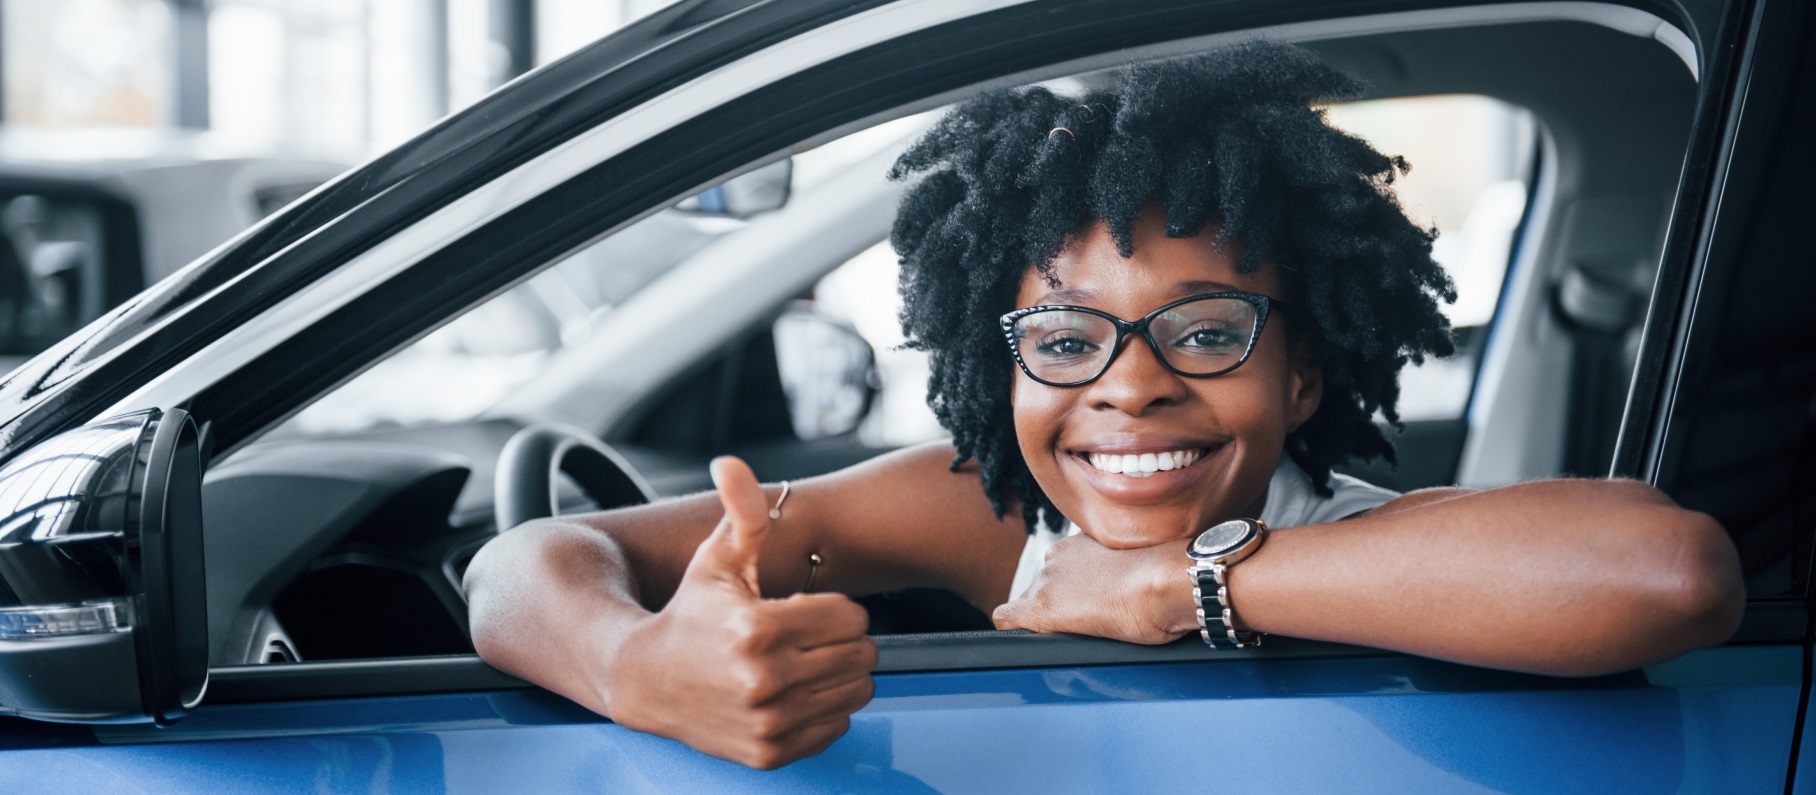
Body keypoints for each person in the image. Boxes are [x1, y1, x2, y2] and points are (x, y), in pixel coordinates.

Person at [462, 41, 1743, 770]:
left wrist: (1179, 581)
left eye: (1203, 332)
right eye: (1065, 339)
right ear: (1001, 365)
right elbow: (526, 564)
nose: (1129, 383)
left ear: (1300, 373)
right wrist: (637, 666)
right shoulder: (984, 511)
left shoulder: (1374, 549)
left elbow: (1670, 573)